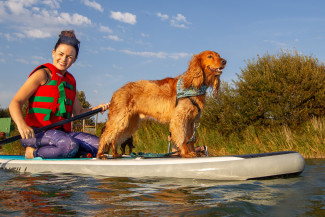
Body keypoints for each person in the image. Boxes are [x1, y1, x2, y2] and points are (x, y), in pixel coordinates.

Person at [9, 30, 109, 159]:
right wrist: (22, 125)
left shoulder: (71, 81)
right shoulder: (42, 74)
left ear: (75, 60)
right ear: (53, 53)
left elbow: (78, 112)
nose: (63, 59)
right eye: (61, 54)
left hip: (63, 135)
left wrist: (96, 109)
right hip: (36, 134)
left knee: (102, 145)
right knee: (69, 146)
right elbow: (15, 103)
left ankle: (74, 153)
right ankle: (32, 153)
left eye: (69, 57)